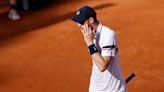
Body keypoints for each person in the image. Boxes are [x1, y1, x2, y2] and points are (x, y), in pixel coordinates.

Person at [71, 5, 128, 92]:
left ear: (91, 20)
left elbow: (102, 66)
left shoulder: (108, 34)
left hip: (113, 90)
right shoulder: (90, 35)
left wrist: (89, 43)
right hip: (95, 89)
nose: (79, 25)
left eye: (81, 22)